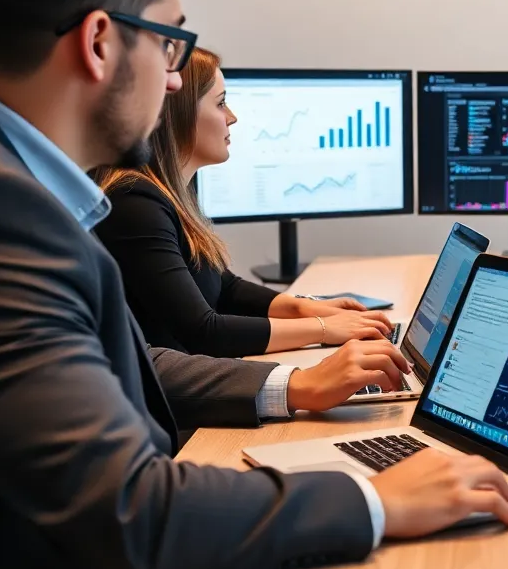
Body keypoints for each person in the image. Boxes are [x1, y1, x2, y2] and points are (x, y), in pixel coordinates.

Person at [0, 0, 508, 569]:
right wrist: (374, 497)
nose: (173, 78)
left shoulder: (7, 181)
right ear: (99, 42)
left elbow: (107, 362)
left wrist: (286, 389)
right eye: (170, 43)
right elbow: (136, 517)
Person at [92, 46, 388, 357]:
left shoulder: (172, 192)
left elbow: (224, 287)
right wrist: (323, 329)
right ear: (177, 115)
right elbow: (203, 332)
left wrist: (307, 308)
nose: (232, 118)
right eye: (220, 104)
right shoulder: (134, 202)